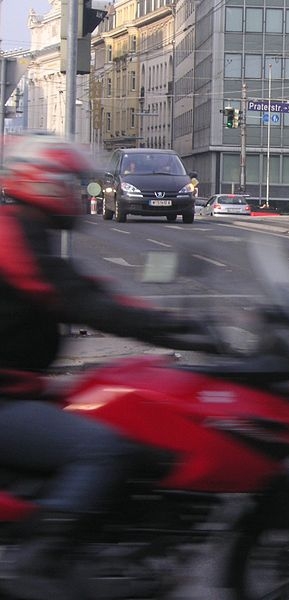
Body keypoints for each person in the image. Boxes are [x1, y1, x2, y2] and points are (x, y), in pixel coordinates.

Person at [0, 133, 212, 600]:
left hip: (20, 390)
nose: (78, 194)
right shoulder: (11, 234)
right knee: (102, 450)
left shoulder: (24, 231)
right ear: (45, 183)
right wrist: (176, 331)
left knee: (115, 413)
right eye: (70, 184)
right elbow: (79, 299)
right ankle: (37, 562)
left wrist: (167, 321)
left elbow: (88, 289)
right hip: (5, 402)